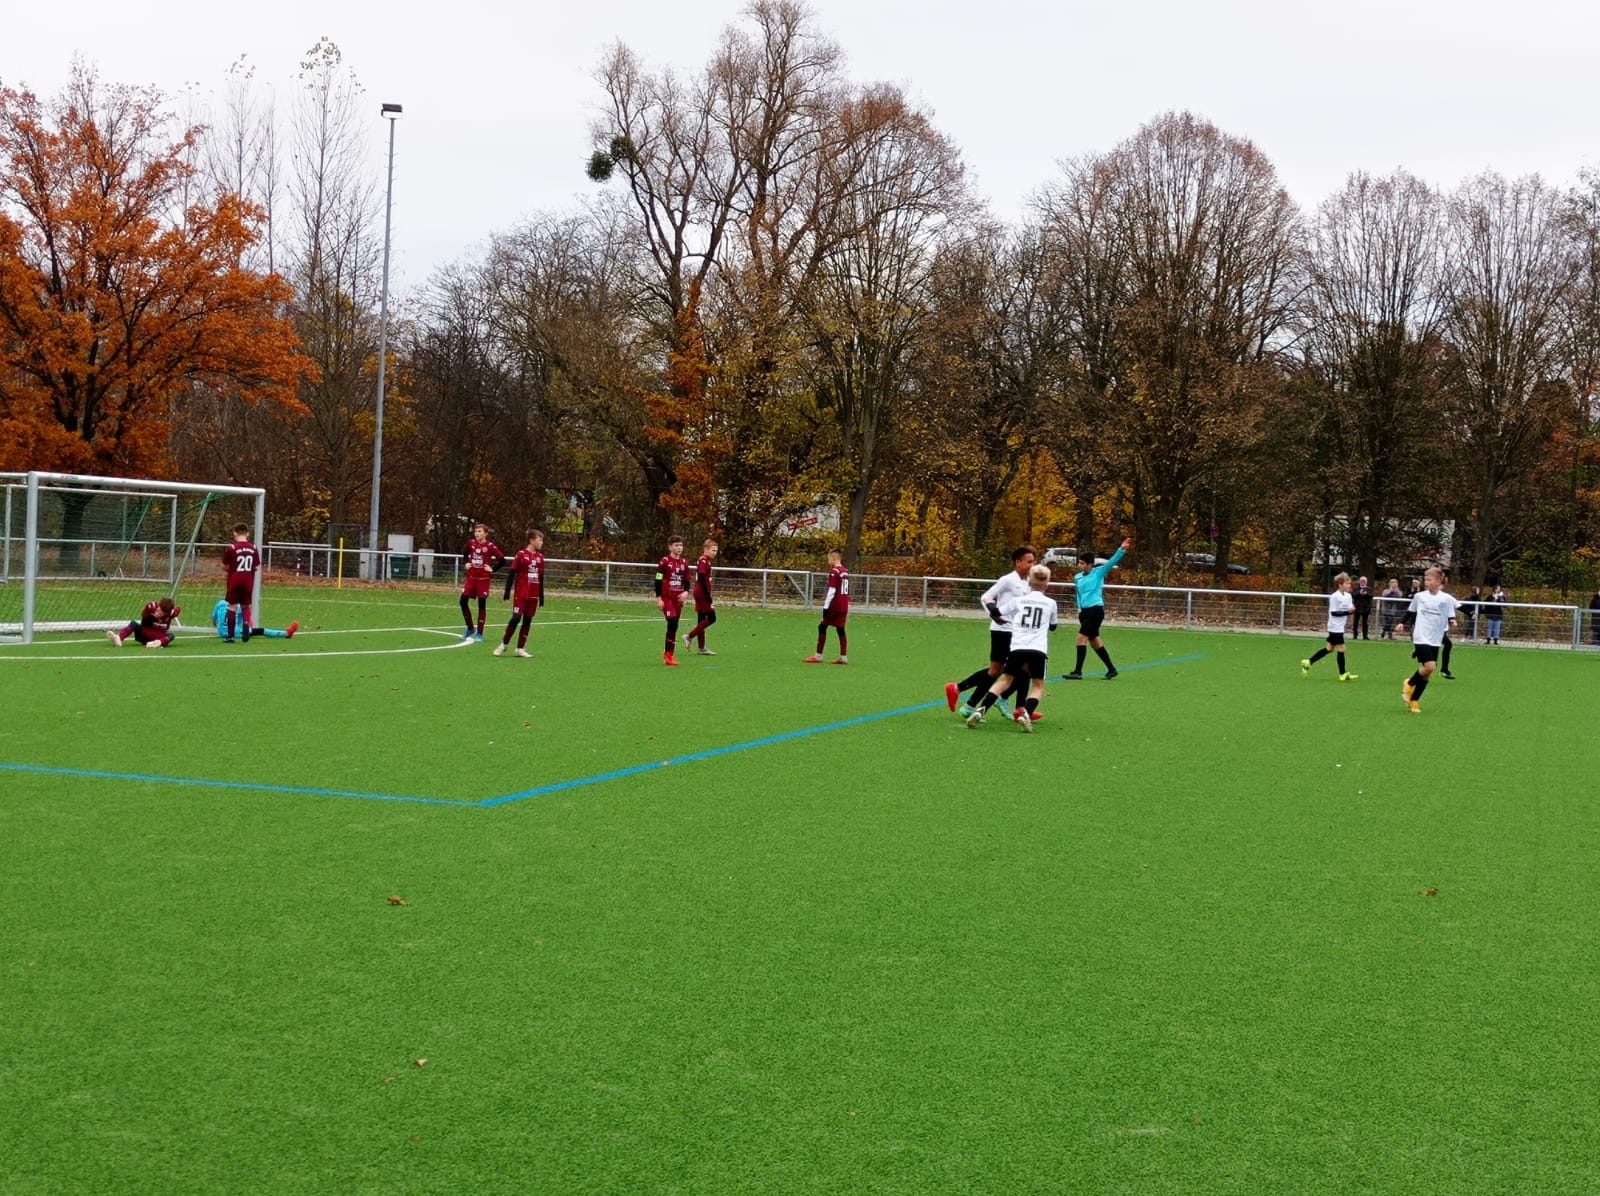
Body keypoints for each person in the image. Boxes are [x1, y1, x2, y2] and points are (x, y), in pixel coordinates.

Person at [945, 546, 1037, 719]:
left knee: (1015, 668)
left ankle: (966, 696)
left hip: (1018, 632)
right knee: (1007, 669)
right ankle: (1010, 705)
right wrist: (994, 614)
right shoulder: (1008, 580)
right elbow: (986, 597)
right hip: (1003, 631)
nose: (1032, 565)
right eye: (1029, 561)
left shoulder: (1028, 582)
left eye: (1034, 562)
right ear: (1018, 562)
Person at [966, 565, 1058, 733]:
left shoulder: (1018, 601)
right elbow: (1053, 626)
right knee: (1037, 685)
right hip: (1038, 649)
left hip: (1017, 647)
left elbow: (997, 612)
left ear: (1029, 582)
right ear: (1047, 584)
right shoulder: (1051, 603)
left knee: (1004, 681)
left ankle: (981, 709)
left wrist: (990, 603)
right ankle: (1026, 713)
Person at [1063, 537, 1130, 680]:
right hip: (1084, 612)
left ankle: (1078, 672)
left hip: (1095, 610)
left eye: (1082, 563)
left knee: (1081, 638)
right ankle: (1111, 669)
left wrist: (1121, 549)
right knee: (1094, 641)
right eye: (1079, 562)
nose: (1079, 565)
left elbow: (1111, 562)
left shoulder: (1098, 572)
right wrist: (1079, 608)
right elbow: (1078, 594)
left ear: (1090, 564)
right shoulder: (1078, 577)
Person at [1396, 566, 1459, 714]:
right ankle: (1409, 683)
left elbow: (1451, 613)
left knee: (1428, 673)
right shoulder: (1419, 596)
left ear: (1438, 581)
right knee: (1430, 666)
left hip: (1435, 638)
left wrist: (1452, 620)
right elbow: (1410, 611)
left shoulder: (1446, 598)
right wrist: (1402, 622)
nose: (1426, 582)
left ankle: (1414, 700)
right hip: (1420, 636)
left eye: (1429, 580)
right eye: (1426, 579)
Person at [494, 529, 546, 658]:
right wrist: (507, 592)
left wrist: (541, 597)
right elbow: (512, 574)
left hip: (533, 595)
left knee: (527, 621)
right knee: (516, 618)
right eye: (540, 540)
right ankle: (504, 644)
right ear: (532, 540)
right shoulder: (521, 555)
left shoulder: (540, 558)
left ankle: (520, 648)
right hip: (521, 594)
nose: (542, 543)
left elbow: (541, 578)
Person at [1300, 572, 1358, 680]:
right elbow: (1334, 613)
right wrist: (1348, 612)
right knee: (1342, 648)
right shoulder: (1334, 597)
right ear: (1340, 584)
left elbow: (1350, 609)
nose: (1349, 585)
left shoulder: (1348, 596)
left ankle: (1308, 662)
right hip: (1334, 627)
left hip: (1341, 626)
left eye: (1349, 583)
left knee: (1329, 649)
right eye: (1347, 583)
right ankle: (1342, 674)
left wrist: (1353, 610)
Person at [459, 523, 505, 641]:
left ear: (486, 533)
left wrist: (492, 569)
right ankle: (470, 628)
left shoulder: (490, 546)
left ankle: (479, 633)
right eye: (476, 531)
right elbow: (465, 553)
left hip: (483, 580)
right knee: (463, 601)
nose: (477, 533)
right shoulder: (471, 543)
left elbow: (502, 560)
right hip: (471, 578)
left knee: (481, 605)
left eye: (480, 531)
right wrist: (466, 562)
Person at [804, 548, 850, 664]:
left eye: (829, 558)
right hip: (844, 605)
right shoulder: (845, 571)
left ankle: (818, 656)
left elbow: (832, 590)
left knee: (822, 627)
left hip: (835, 605)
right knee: (840, 629)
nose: (828, 561)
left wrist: (825, 607)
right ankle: (843, 657)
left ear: (834, 558)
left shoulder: (835, 571)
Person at [655, 535, 693, 666]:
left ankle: (669, 654)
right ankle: (668, 654)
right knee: (672, 622)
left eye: (681, 545)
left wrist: (686, 592)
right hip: (667, 597)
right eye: (676, 545)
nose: (679, 548)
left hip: (678, 598)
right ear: (670, 547)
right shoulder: (664, 562)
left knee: (674, 625)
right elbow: (658, 579)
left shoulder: (684, 563)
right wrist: (659, 598)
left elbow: (687, 581)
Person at [220, 523, 260, 643]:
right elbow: (256, 567)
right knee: (245, 606)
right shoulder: (254, 548)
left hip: (234, 581)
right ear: (247, 533)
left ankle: (231, 636)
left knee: (232, 606)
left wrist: (232, 569)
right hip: (248, 581)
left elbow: (224, 565)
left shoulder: (232, 548)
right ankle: (246, 625)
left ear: (234, 533)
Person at [686, 539, 719, 655]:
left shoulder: (706, 560)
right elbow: (701, 576)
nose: (715, 553)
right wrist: (707, 594)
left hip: (700, 592)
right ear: (706, 549)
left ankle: (701, 648)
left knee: (701, 619)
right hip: (702, 593)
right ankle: (689, 636)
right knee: (712, 618)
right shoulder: (703, 560)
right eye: (713, 550)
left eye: (716, 551)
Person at [108, 597, 181, 649]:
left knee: (171, 635)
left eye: (161, 612)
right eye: (159, 609)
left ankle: (157, 643)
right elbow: (144, 624)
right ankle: (119, 638)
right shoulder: (151, 606)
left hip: (158, 637)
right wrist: (153, 617)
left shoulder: (171, 612)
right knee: (133, 624)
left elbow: (178, 609)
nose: (158, 611)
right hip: (144, 634)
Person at [209, 598, 297, 640]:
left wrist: (221, 627)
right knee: (261, 631)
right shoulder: (239, 606)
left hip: (221, 632)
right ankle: (286, 633)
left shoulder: (220, 603)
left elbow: (214, 620)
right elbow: (244, 623)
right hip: (235, 632)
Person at [1352, 575, 1373, 640]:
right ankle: (1355, 635)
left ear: (1366, 582)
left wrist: (1366, 594)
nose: (1363, 582)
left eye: (1364, 581)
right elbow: (1353, 595)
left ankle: (1365, 636)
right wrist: (1359, 593)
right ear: (1359, 581)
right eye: (1361, 581)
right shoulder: (1356, 588)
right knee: (1355, 622)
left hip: (1365, 608)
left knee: (1365, 623)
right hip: (1357, 607)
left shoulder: (1369, 588)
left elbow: (1371, 596)